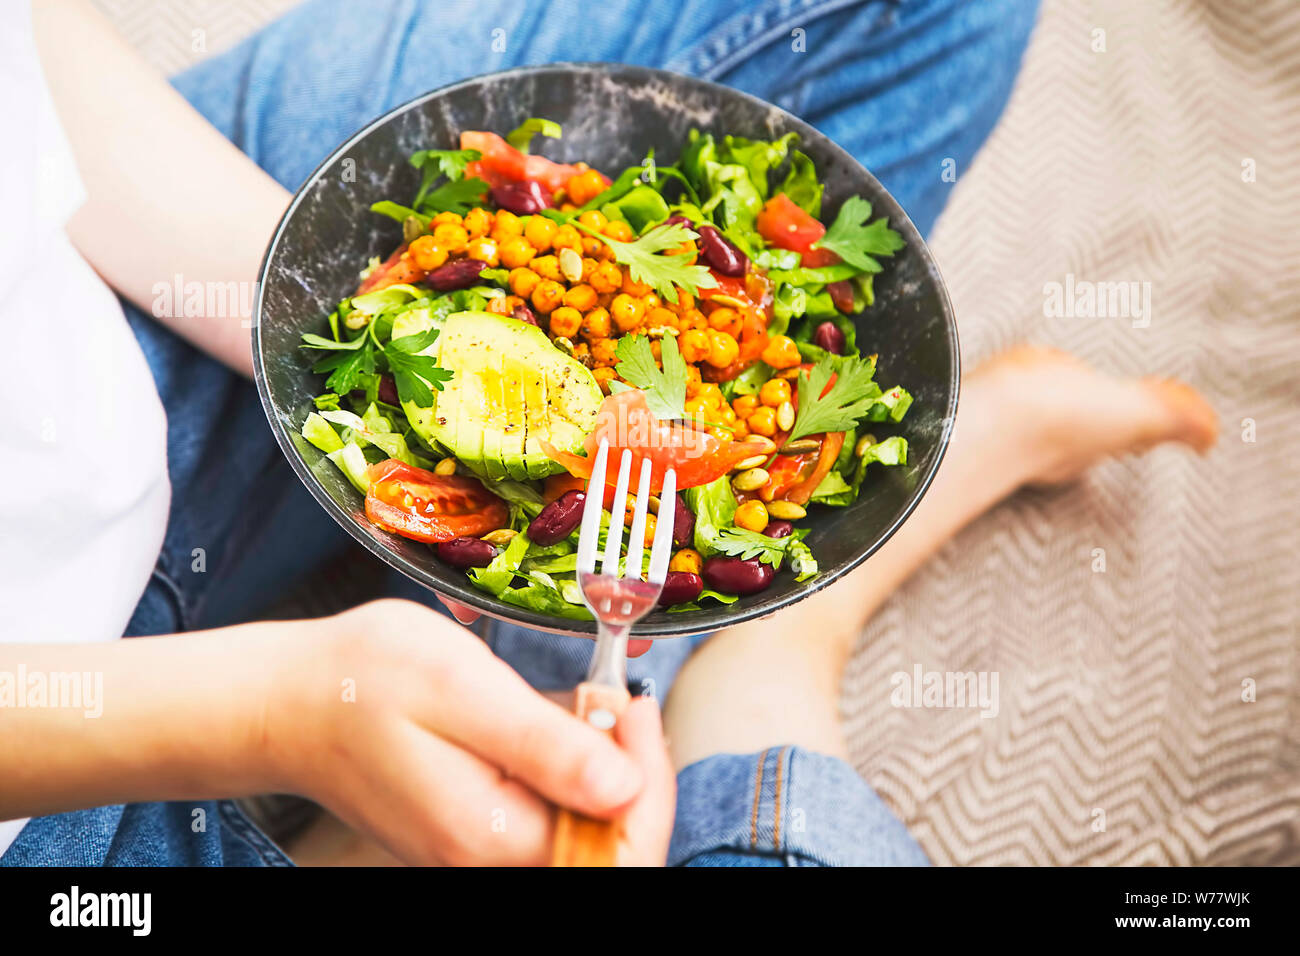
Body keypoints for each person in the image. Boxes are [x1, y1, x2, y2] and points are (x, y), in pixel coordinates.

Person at [0, 0, 1214, 866]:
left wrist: (344, 315)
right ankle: (768, 663)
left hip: (89, 333)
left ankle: (484, 699)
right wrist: (274, 715)